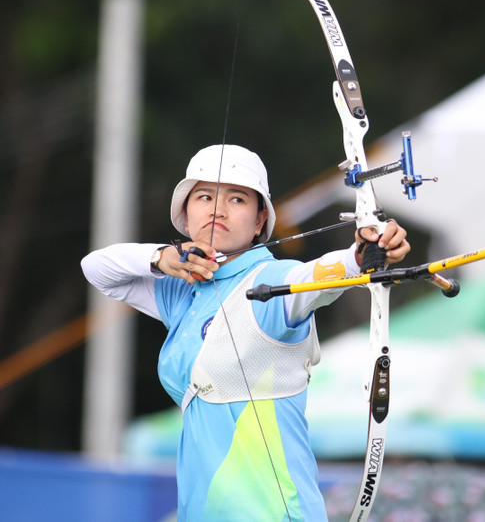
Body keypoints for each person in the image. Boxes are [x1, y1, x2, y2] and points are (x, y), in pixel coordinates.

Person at [81, 144, 410, 521]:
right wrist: (160, 257)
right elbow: (97, 268)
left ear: (258, 222)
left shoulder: (270, 283)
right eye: (204, 197)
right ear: (186, 217)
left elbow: (316, 276)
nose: (218, 209)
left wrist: (363, 254)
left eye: (237, 199)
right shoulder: (181, 290)